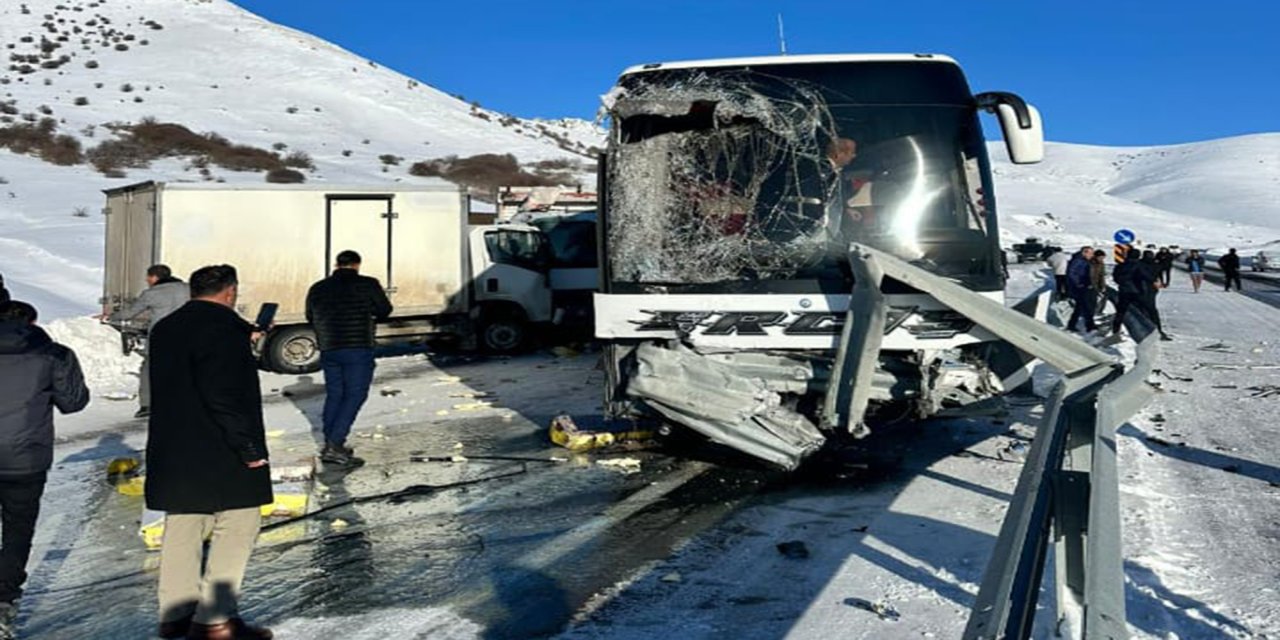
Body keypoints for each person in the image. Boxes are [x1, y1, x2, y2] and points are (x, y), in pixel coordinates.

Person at [145, 265, 273, 640]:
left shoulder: (167, 327)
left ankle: (176, 614)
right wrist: (248, 446)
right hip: (218, 445)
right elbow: (224, 393)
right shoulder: (223, 330)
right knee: (239, 523)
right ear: (230, 292)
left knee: (184, 524)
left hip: (173, 446)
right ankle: (216, 620)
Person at [0, 300, 89, 637]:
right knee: (17, 530)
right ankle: (3, 601)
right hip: (25, 459)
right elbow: (74, 402)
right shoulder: (52, 354)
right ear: (32, 322)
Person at [305, 250, 393, 467]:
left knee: (335, 395)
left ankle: (331, 442)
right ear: (357, 265)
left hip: (329, 348)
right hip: (357, 347)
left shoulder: (318, 287)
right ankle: (335, 445)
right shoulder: (368, 284)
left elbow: (310, 315)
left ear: (337, 264)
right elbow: (385, 310)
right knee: (355, 395)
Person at [106, 264, 190, 419]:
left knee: (148, 369)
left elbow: (130, 313)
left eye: (148, 278)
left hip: (161, 337)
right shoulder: (188, 289)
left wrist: (110, 317)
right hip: (186, 336)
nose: (147, 281)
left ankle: (147, 405)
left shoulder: (151, 293)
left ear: (154, 277)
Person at [1065, 246, 1098, 333]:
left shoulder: (1084, 261)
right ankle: (1090, 326)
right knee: (1086, 306)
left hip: (1084, 286)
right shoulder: (1078, 261)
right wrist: (1079, 283)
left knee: (1080, 307)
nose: (1092, 255)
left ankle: (1071, 325)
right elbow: (1071, 273)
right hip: (1080, 287)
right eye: (1090, 253)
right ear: (1084, 253)